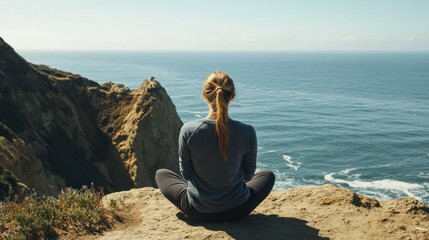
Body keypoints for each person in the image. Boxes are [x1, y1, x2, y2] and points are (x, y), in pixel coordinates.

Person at [155, 71, 275, 222]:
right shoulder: (247, 131)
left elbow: (186, 174)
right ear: (232, 96)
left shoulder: (189, 130)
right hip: (238, 210)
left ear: (204, 95)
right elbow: (248, 176)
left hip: (198, 211)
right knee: (268, 175)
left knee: (161, 174)